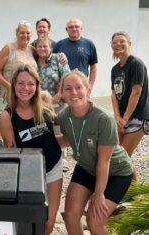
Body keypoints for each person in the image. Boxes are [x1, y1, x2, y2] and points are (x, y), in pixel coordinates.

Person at [56, 70, 132, 235]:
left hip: (115, 172)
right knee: (70, 216)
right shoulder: (63, 117)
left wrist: (99, 194)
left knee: (94, 221)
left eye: (78, 87)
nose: (74, 92)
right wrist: (44, 142)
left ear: (88, 90)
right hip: (86, 167)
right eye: (68, 88)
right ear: (61, 93)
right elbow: (70, 138)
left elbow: (104, 161)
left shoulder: (104, 118)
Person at [0, 64, 62, 235]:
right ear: (13, 85)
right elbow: (11, 152)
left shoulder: (45, 103)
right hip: (29, 174)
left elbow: (56, 136)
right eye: (20, 83)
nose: (25, 88)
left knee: (49, 219)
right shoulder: (7, 115)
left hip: (53, 167)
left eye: (30, 83)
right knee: (30, 218)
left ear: (36, 85)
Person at [110, 31, 149, 181]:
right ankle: (133, 190)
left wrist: (125, 118)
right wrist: (117, 117)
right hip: (122, 119)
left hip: (138, 117)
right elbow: (114, 94)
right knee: (119, 154)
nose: (118, 44)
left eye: (122, 41)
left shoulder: (136, 64)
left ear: (129, 44)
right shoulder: (115, 69)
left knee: (123, 155)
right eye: (115, 42)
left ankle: (133, 192)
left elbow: (136, 92)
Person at [0, 20, 37, 123]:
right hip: (10, 96)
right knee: (10, 125)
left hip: (28, 96)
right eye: (22, 33)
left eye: (28, 33)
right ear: (16, 33)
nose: (25, 35)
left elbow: (46, 59)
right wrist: (11, 87)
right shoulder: (8, 48)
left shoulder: (32, 50)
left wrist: (62, 56)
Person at [54, 18, 97, 92]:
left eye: (76, 26)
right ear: (66, 29)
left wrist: (90, 86)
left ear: (81, 28)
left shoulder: (89, 44)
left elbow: (93, 67)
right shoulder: (59, 44)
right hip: (64, 87)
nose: (74, 29)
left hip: (82, 86)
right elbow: (53, 65)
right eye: (71, 27)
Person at [36, 36, 70, 112]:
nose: (42, 49)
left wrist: (57, 96)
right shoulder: (34, 62)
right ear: (36, 49)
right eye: (39, 46)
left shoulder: (58, 58)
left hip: (58, 103)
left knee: (59, 123)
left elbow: (68, 79)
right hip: (39, 104)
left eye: (45, 46)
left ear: (50, 48)